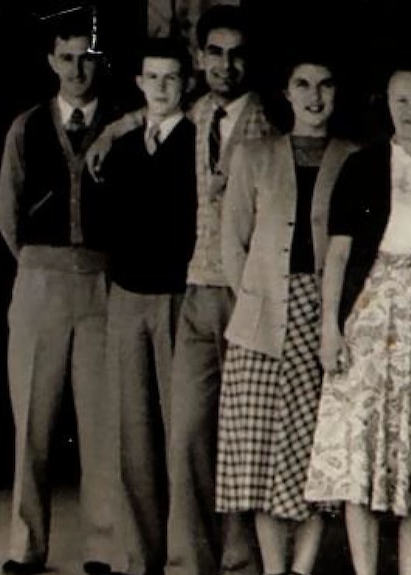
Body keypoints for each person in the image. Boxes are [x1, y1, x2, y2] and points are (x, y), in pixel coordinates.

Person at [87, 5, 274, 575]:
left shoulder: (270, 120)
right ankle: (180, 561)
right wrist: (109, 130)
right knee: (180, 438)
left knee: (234, 435)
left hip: (238, 293)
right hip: (188, 289)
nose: (224, 63)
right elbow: (147, 114)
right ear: (200, 59)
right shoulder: (189, 116)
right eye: (213, 52)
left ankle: (238, 560)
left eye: (234, 53)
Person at [304, 68, 411, 575]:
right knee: (359, 455)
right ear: (385, 104)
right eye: (401, 100)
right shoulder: (362, 166)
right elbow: (339, 254)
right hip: (369, 317)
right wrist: (330, 327)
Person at [217, 51, 358, 575]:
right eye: (302, 84)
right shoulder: (253, 156)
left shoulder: (354, 156)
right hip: (259, 322)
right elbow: (233, 244)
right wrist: (258, 298)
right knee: (257, 455)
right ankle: (275, 570)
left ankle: (302, 568)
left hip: (323, 323)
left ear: (337, 93)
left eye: (325, 84)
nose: (314, 96)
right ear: (286, 92)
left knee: (310, 453)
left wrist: (335, 315)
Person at [0, 15, 116, 575]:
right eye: (67, 58)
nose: (77, 69)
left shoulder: (121, 126)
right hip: (40, 281)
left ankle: (102, 546)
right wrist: (41, 267)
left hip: (102, 283)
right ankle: (25, 544)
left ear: (100, 62)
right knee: (33, 422)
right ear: (51, 61)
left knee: (101, 422)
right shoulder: (26, 127)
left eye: (87, 58)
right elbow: (6, 215)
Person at [100, 38, 197, 575]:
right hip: (128, 298)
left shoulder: (197, 141)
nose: (161, 87)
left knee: (178, 434)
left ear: (186, 84)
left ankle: (183, 557)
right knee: (132, 433)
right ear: (138, 83)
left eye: (171, 78)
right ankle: (140, 557)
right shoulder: (121, 147)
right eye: (152, 77)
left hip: (178, 298)